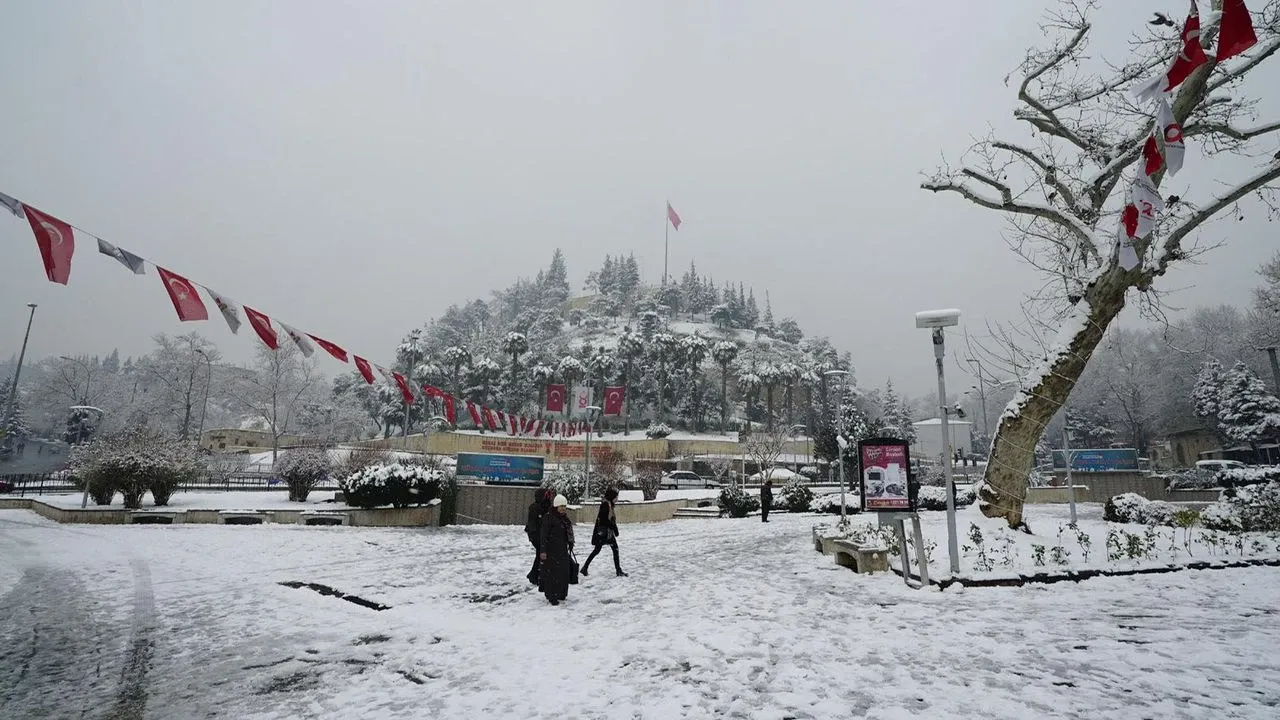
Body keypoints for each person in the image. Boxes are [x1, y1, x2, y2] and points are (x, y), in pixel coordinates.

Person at [581, 487, 627, 577]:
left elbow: (610, 520)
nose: (617, 499)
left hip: (604, 533)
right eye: (616, 497)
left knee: (599, 550)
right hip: (605, 533)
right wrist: (613, 528)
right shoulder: (606, 505)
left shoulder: (608, 504)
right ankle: (618, 570)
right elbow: (604, 520)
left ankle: (585, 568)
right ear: (612, 496)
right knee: (613, 549)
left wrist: (614, 528)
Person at [538, 494, 575, 605]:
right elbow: (543, 535)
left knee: (562, 573)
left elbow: (567, 532)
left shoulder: (564, 518)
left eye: (564, 505)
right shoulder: (548, 518)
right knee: (552, 574)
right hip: (551, 551)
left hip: (562, 550)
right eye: (560, 506)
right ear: (555, 506)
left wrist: (570, 542)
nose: (563, 508)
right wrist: (543, 550)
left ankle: (561, 593)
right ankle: (551, 595)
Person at [524, 488, 553, 584]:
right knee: (540, 555)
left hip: (541, 535)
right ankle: (534, 575)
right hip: (536, 535)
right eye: (546, 496)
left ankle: (534, 575)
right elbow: (533, 524)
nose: (548, 498)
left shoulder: (545, 506)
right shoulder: (535, 507)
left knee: (540, 555)